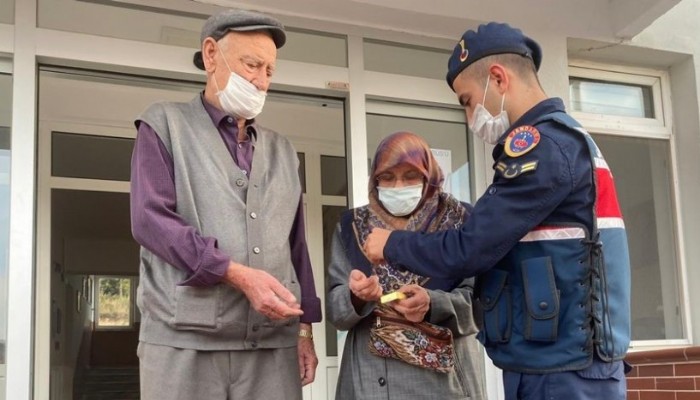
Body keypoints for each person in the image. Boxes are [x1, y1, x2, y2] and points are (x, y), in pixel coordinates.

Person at [364, 22, 632, 400]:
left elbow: (470, 248)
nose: (470, 114)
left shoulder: (543, 149)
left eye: (468, 100)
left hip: (561, 369)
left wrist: (392, 243)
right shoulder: (560, 143)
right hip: (559, 360)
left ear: (497, 78)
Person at [129, 8, 321, 400]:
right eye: (252, 64)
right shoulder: (163, 125)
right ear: (212, 54)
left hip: (271, 347)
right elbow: (150, 220)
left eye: (270, 71)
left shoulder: (284, 152)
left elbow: (296, 247)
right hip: (183, 344)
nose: (261, 81)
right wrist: (234, 272)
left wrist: (305, 329)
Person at [327, 131, 485, 400]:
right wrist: (355, 297)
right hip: (370, 381)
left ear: (429, 177)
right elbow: (336, 310)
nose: (398, 186)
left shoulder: (461, 223)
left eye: (410, 176)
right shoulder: (351, 227)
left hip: (445, 381)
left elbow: (481, 305)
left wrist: (432, 303)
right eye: (386, 177)